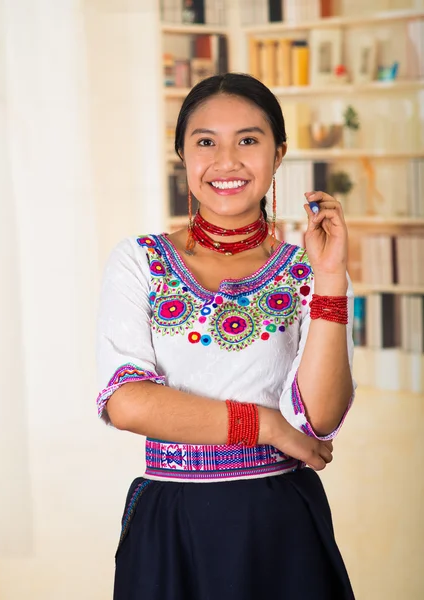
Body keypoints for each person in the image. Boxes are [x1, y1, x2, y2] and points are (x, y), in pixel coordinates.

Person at [96, 73, 356, 600]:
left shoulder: (309, 271)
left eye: (249, 140)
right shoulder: (140, 262)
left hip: (281, 525)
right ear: (183, 155)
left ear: (278, 153)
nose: (227, 161)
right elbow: (125, 402)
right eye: (206, 141)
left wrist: (329, 278)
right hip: (173, 525)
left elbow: (319, 419)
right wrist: (266, 425)